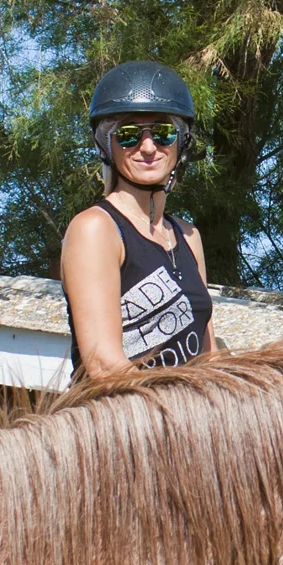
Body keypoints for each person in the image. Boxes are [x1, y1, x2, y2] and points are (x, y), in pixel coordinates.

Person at [59, 61, 221, 379]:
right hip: (114, 422)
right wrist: (181, 410)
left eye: (163, 133)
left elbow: (208, 356)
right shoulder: (96, 229)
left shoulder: (189, 236)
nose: (148, 147)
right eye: (130, 136)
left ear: (180, 142)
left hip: (188, 423)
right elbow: (105, 366)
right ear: (108, 145)